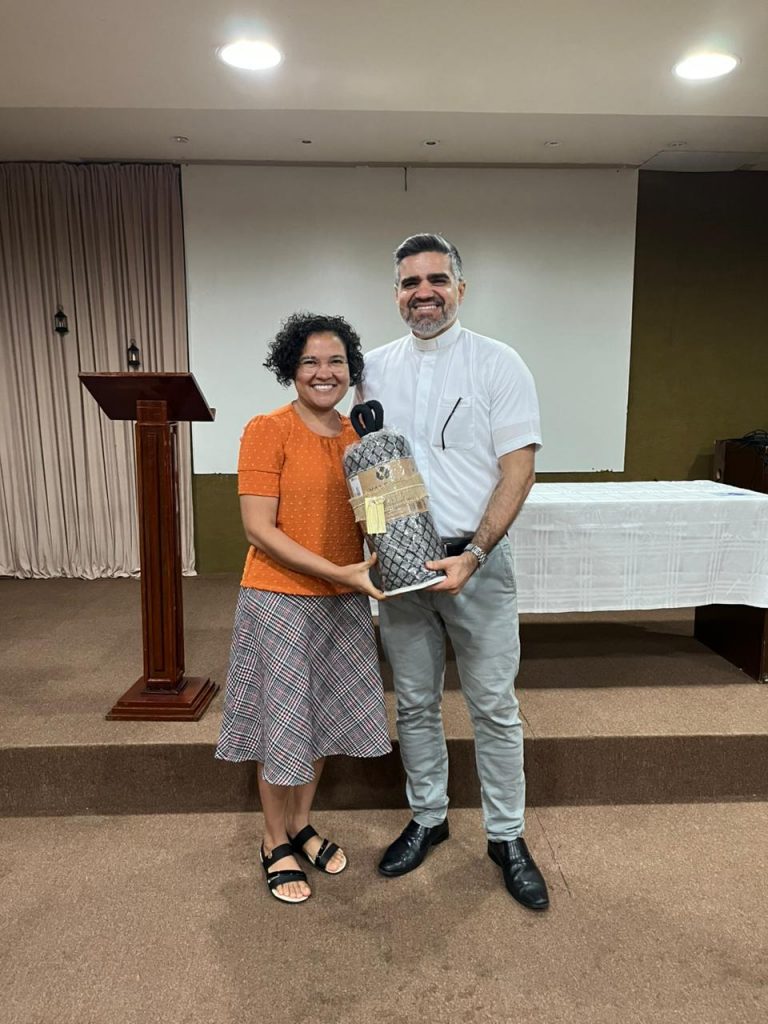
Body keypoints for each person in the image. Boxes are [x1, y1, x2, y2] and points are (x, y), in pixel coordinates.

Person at [357, 233, 549, 911]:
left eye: (437, 280)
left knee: (493, 705)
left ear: (460, 289)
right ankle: (429, 817)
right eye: (411, 282)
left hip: (477, 560)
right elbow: (367, 469)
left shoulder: (499, 363)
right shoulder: (371, 370)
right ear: (397, 295)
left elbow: (518, 471)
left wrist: (475, 555)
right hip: (401, 565)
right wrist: (376, 544)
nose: (425, 293)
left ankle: (506, 836)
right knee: (414, 702)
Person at [216, 312, 392, 905]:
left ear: (351, 370)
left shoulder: (357, 438)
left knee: (317, 720)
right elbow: (259, 529)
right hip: (280, 599)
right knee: (282, 723)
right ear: (290, 368)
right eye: (310, 361)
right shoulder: (268, 429)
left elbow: (374, 520)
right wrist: (339, 571)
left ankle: (300, 824)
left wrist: (395, 547)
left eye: (336, 361)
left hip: (343, 601)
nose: (324, 372)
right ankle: (273, 840)